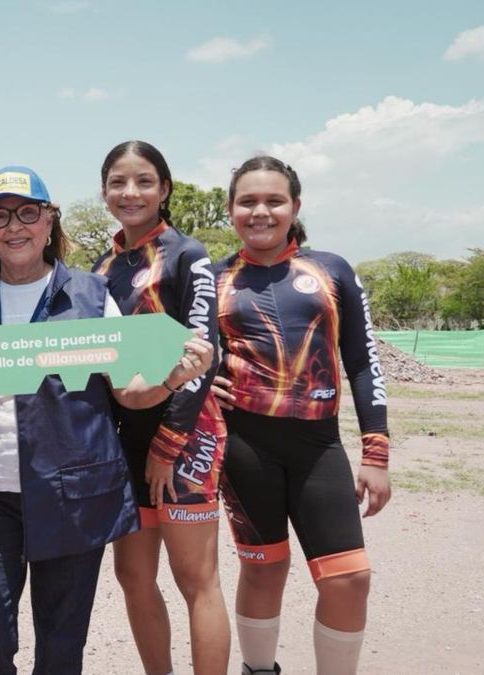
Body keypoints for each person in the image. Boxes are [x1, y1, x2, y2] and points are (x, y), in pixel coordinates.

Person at [0, 165, 214, 674]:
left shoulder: (90, 295)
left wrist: (171, 378)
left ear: (48, 221)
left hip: (72, 498)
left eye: (28, 213)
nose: (14, 227)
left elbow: (129, 393)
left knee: (62, 651)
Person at [212, 155, 392, 675]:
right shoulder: (217, 278)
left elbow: (362, 361)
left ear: (295, 206)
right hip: (244, 446)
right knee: (265, 569)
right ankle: (258, 670)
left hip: (318, 447)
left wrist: (375, 451)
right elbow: (192, 353)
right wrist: (208, 380)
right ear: (231, 210)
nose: (260, 211)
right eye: (247, 201)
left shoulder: (331, 269)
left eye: (274, 200)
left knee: (348, 578)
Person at [92, 141, 230, 674]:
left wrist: (169, 445)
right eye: (118, 183)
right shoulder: (104, 265)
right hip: (125, 434)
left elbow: (203, 354)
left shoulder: (186, 254)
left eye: (145, 181)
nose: (131, 193)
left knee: (196, 578)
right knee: (133, 576)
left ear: (164, 189)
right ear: (104, 191)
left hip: (186, 432)